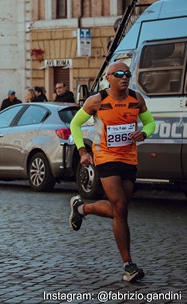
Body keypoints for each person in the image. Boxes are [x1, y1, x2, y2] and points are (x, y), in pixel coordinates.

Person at [68, 61, 155, 282]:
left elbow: (150, 123)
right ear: (109, 78)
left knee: (121, 210)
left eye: (127, 73)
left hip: (129, 159)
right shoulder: (97, 100)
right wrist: (82, 152)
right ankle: (128, 265)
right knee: (119, 205)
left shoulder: (136, 99)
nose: (124, 77)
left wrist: (144, 134)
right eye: (119, 74)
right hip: (105, 157)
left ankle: (82, 208)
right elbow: (75, 125)